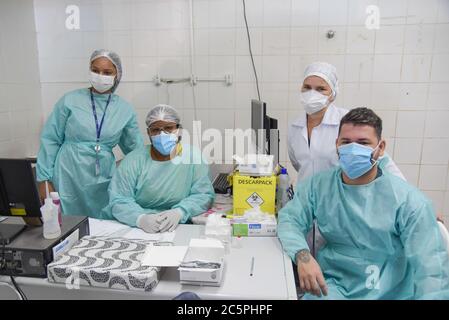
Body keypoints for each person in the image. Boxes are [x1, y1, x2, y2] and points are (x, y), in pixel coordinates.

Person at [278, 107, 449, 300]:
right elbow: (289, 220)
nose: (353, 149)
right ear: (337, 145)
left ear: (381, 147)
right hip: (334, 287)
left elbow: (432, 270)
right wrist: (303, 256)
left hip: (392, 291)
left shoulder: (409, 201)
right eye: (346, 142)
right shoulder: (319, 187)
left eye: (363, 143)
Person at [36, 49, 143, 218]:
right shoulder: (70, 100)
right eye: (95, 70)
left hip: (103, 176)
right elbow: (51, 139)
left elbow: (136, 151)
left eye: (107, 72)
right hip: (68, 173)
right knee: (67, 224)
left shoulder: (124, 109)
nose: (100, 76)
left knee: (102, 223)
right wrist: (43, 179)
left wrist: (139, 180)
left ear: (117, 75)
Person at [103, 104, 215, 233]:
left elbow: (203, 195)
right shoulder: (134, 160)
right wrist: (140, 218)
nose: (162, 134)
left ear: (179, 130)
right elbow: (119, 199)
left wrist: (180, 212)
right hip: (135, 226)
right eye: (155, 130)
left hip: (179, 225)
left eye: (168, 128)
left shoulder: (193, 157)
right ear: (149, 133)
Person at [288, 62, 404, 183]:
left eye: (321, 89)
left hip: (339, 197)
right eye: (307, 87)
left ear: (332, 94)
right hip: (305, 197)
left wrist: (404, 193)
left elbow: (380, 161)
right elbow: (297, 164)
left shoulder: (348, 123)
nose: (312, 94)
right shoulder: (294, 127)